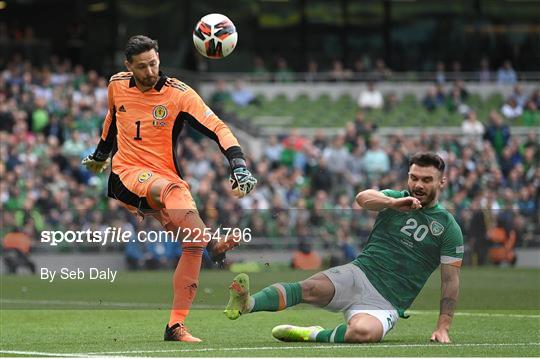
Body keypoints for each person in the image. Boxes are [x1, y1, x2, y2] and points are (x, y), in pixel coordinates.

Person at [81, 35, 257, 342]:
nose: (149, 72)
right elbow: (112, 118)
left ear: (159, 59)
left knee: (192, 244)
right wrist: (100, 156)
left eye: (153, 64)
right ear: (128, 66)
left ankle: (175, 325)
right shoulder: (116, 84)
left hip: (166, 181)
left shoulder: (179, 95)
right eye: (141, 67)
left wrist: (238, 163)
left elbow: (218, 127)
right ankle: (212, 242)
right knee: (172, 190)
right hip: (127, 175)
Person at [224, 153, 463, 344]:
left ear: (442, 182)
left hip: (386, 302)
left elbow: (450, 282)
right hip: (358, 274)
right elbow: (362, 198)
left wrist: (443, 327)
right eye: (414, 177)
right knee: (306, 288)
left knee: (363, 333)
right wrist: (392, 203)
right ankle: (247, 303)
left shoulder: (449, 228)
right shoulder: (393, 199)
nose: (417, 184)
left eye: (426, 180)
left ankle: (313, 334)